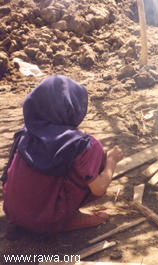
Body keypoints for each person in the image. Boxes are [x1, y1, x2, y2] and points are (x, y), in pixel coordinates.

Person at [1, 75, 123, 234]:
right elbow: (99, 189)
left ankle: (46, 215)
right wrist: (111, 161)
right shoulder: (84, 145)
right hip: (46, 221)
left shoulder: (25, 133)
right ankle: (61, 220)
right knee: (98, 158)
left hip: (13, 212)